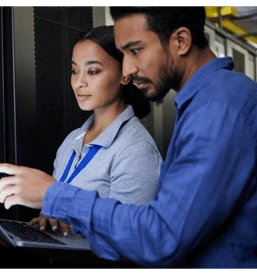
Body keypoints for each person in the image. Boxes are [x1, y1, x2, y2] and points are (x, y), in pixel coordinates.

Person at [0, 6, 257, 270]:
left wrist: (55, 195)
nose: (129, 68)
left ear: (181, 41)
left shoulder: (219, 109)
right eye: (123, 54)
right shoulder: (209, 103)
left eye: (135, 51)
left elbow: (162, 238)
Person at [27, 25, 162, 236]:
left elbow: (131, 241)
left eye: (92, 71)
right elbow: (59, 218)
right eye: (74, 71)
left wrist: (69, 233)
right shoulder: (71, 141)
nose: (79, 83)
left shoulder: (136, 149)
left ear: (124, 75)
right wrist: (45, 228)